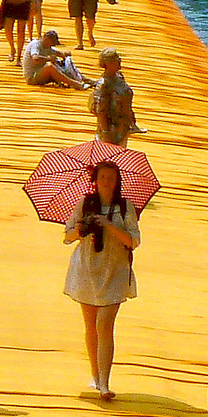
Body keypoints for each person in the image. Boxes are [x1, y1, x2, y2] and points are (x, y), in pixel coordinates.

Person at [64, 160, 141, 395]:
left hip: (114, 270)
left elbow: (133, 240)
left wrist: (109, 225)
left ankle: (105, 383)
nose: (106, 182)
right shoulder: (85, 204)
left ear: (117, 181)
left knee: (104, 324)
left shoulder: (125, 207)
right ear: (95, 181)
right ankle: (95, 376)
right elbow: (67, 235)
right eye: (102, 178)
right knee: (91, 326)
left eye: (111, 178)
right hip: (86, 269)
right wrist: (82, 228)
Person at [92, 51, 137, 145]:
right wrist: (105, 133)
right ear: (108, 63)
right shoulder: (103, 84)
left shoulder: (120, 77)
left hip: (123, 128)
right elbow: (101, 111)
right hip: (110, 130)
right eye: (116, 59)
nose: (119, 60)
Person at [21, 29, 89, 89]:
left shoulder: (47, 47)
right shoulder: (36, 44)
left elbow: (57, 52)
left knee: (62, 65)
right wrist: (48, 59)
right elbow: (35, 58)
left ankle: (85, 79)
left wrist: (64, 55)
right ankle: (76, 84)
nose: (52, 45)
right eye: (52, 43)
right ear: (46, 39)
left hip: (40, 73)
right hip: (32, 76)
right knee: (50, 67)